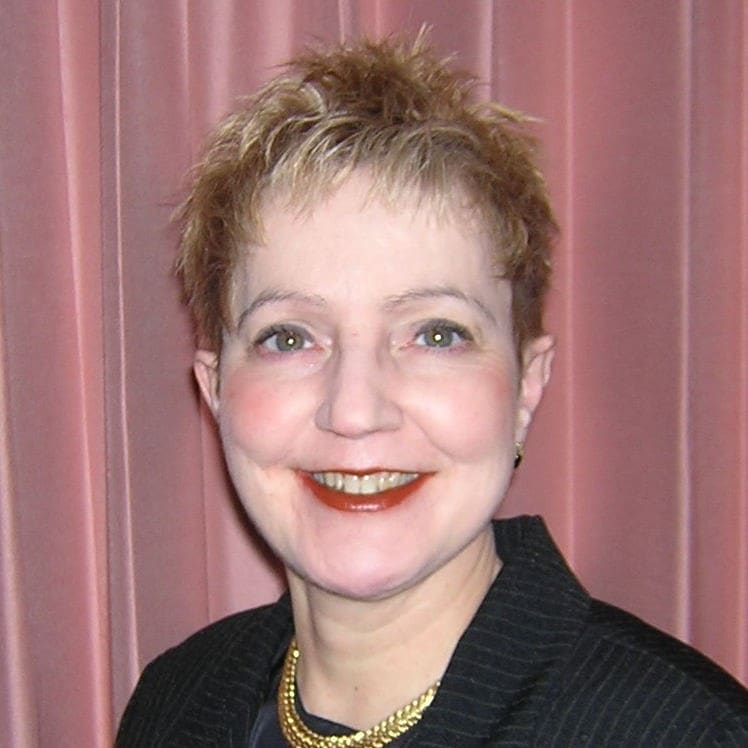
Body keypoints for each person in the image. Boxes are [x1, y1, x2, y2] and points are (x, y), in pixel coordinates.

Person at [116, 34, 748, 747]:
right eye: (289, 338)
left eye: (435, 334)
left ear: (526, 385)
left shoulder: (689, 733)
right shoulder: (174, 701)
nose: (355, 411)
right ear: (215, 391)